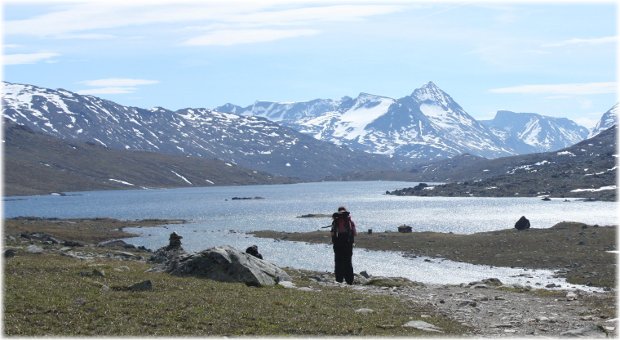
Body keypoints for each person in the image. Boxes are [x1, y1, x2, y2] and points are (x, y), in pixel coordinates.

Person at [330, 206, 357, 284]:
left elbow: (332, 233)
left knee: (338, 262)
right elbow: (355, 234)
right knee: (348, 262)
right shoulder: (350, 221)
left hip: (337, 245)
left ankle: (339, 280)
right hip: (348, 244)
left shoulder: (335, 221)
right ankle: (349, 281)